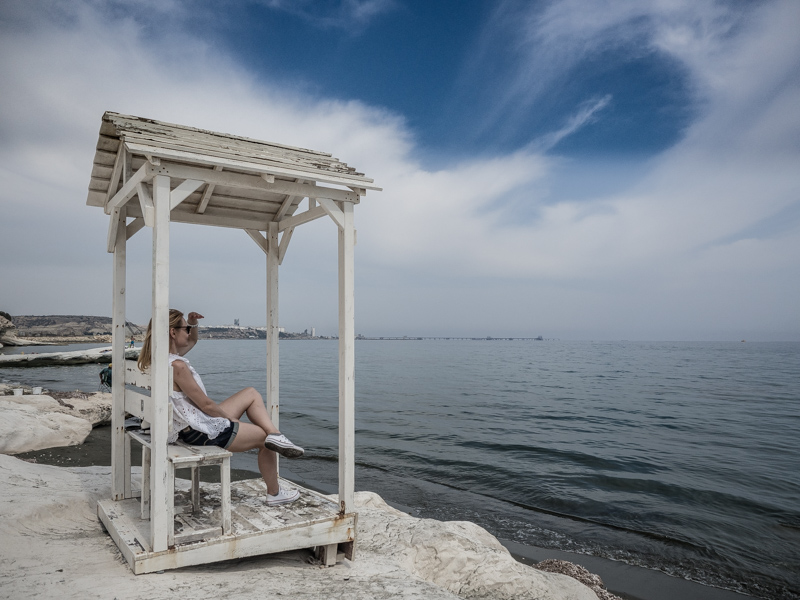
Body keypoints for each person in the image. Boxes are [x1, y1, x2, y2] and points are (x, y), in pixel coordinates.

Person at [137, 309, 302, 506]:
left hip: (186, 425)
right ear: (173, 332)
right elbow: (206, 405)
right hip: (198, 432)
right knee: (263, 438)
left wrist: (192, 323)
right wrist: (228, 418)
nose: (188, 333)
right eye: (186, 329)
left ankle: (276, 434)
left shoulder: (162, 359)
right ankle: (275, 493)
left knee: (250, 393)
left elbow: (193, 341)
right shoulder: (178, 367)